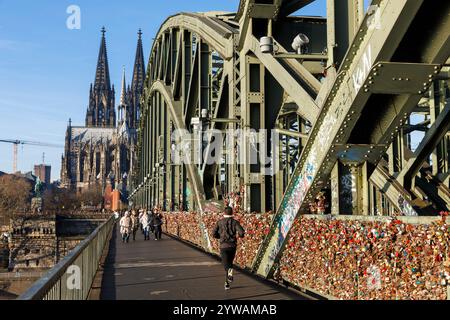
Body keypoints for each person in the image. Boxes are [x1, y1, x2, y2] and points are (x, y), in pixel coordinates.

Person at [213, 206, 245, 290]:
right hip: (232, 246)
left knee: (225, 263)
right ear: (232, 213)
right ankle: (226, 283)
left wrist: (219, 237)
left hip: (223, 246)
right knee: (230, 262)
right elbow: (241, 232)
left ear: (224, 213)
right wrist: (239, 236)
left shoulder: (219, 222)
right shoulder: (235, 222)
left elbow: (214, 234)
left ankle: (228, 277)